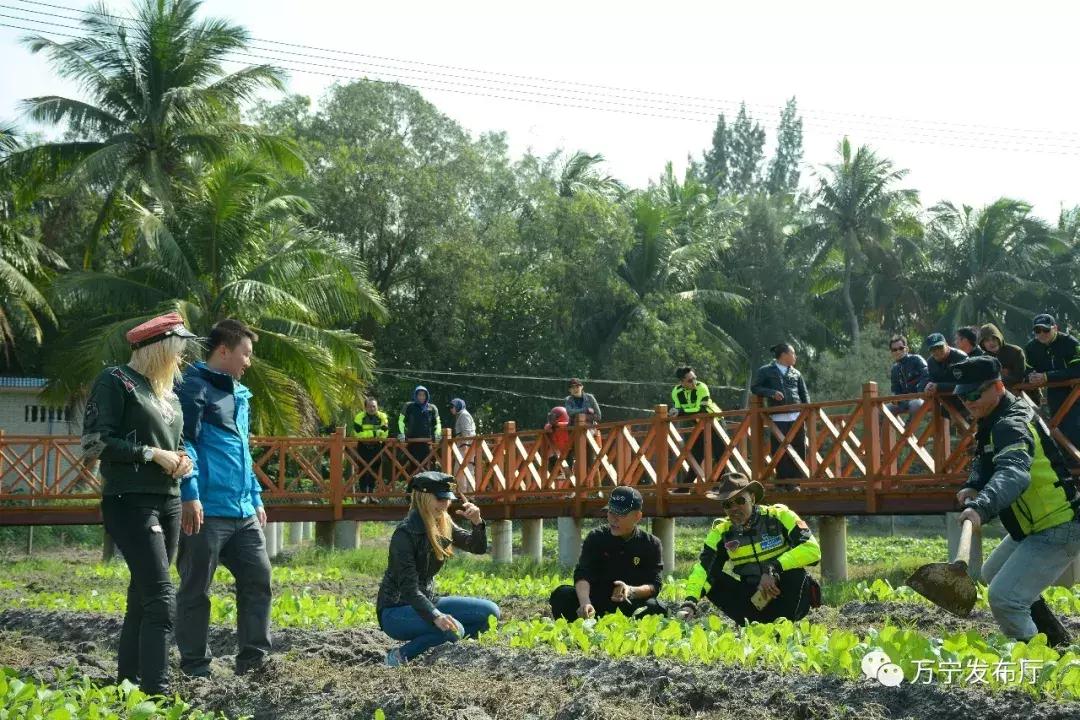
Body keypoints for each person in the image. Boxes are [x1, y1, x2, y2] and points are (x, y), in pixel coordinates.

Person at [80, 312, 197, 694]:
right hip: (129, 501)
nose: (180, 361)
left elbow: (175, 443)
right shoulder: (115, 381)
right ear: (158, 349)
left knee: (142, 597)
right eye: (176, 352)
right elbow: (95, 442)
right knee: (162, 599)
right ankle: (157, 693)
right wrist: (152, 454)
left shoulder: (169, 395)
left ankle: (127, 684)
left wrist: (181, 459)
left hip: (169, 499)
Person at [953, 356, 1080, 647]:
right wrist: (974, 485)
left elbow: (1014, 473)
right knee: (992, 573)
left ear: (997, 386)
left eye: (974, 395)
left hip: (1058, 525)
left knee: (1005, 599)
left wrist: (981, 506)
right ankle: (1057, 645)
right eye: (962, 396)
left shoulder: (1011, 423)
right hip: (1035, 524)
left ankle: (1041, 667)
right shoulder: (993, 417)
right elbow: (983, 459)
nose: (968, 403)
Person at [175, 319, 272, 678]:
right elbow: (185, 444)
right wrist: (189, 494)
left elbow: (241, 450)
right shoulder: (193, 388)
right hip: (205, 510)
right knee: (196, 588)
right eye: (245, 354)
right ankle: (195, 665)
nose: (249, 361)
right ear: (224, 351)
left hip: (243, 510)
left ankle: (254, 659)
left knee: (259, 578)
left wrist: (257, 496)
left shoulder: (239, 395)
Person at [376, 471, 499, 665]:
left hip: (429, 601)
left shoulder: (444, 521)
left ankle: (455, 651)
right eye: (440, 499)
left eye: (447, 499)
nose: (445, 505)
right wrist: (436, 616)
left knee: (491, 612)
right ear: (423, 497)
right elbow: (409, 589)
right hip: (396, 611)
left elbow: (476, 547)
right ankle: (399, 656)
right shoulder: (404, 533)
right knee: (452, 628)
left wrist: (477, 522)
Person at [677, 473, 821, 626]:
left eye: (740, 501)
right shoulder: (721, 532)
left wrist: (772, 569)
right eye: (727, 505)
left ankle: (783, 626)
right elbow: (703, 570)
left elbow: (812, 551)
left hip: (784, 593)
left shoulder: (779, 516)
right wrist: (690, 602)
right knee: (713, 579)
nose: (734, 509)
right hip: (752, 597)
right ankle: (753, 625)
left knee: (796, 574)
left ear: (752, 498)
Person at [549, 487, 666, 621]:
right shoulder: (596, 537)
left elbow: (654, 585)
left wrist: (631, 590)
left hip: (627, 604)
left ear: (637, 516)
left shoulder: (651, 544)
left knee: (656, 607)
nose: (613, 519)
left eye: (621, 514)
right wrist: (585, 602)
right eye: (610, 512)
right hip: (595, 602)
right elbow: (583, 573)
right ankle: (586, 617)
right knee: (561, 595)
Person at [751, 343, 810, 491]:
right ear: (784, 355)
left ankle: (796, 482)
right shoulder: (765, 371)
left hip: (797, 416)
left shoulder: (796, 373)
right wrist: (771, 393)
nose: (795, 356)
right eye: (793, 353)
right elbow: (755, 387)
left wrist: (808, 411)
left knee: (799, 447)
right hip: (778, 417)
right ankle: (783, 482)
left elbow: (804, 394)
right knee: (780, 450)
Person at [1025, 313, 1080, 451]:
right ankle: (1071, 468)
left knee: (1075, 428)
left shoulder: (1070, 342)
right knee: (1058, 429)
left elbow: (1078, 369)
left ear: (1055, 328)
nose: (1042, 334)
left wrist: (1047, 376)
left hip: (1076, 393)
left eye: (1046, 330)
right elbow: (1026, 369)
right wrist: (1030, 377)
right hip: (1054, 395)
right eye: (1038, 331)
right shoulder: (1031, 348)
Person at [669, 366, 726, 489]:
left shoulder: (702, 387)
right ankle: (685, 487)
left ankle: (721, 485)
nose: (694, 382)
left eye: (694, 378)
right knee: (696, 455)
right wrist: (677, 412)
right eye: (690, 380)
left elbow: (702, 409)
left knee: (720, 454)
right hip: (699, 425)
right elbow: (680, 412)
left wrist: (681, 411)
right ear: (681, 382)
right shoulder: (676, 391)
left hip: (715, 421)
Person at [398, 385, 442, 471]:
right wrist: (401, 433)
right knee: (413, 469)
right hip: (412, 443)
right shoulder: (408, 406)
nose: (421, 397)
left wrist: (437, 434)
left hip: (427, 443)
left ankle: (428, 485)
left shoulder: (432, 408)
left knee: (428, 468)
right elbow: (401, 421)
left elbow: (438, 423)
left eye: (423, 395)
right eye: (419, 395)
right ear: (415, 395)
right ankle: (412, 484)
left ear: (427, 396)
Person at [353, 397, 390, 497]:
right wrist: (375, 433)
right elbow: (358, 434)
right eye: (369, 406)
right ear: (365, 408)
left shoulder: (382, 417)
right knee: (362, 469)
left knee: (375, 469)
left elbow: (385, 433)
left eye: (374, 406)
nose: (372, 408)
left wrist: (370, 434)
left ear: (377, 407)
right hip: (363, 446)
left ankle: (371, 494)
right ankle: (364, 494)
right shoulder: (359, 417)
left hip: (377, 446)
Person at [886, 334, 929, 418]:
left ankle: (908, 430)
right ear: (891, 353)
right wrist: (896, 399)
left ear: (907, 349)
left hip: (923, 399)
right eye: (894, 350)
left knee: (915, 404)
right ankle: (902, 430)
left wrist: (919, 394)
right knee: (883, 409)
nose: (898, 351)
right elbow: (895, 388)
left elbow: (927, 376)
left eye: (901, 348)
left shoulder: (917, 359)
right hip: (904, 401)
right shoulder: (894, 369)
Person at [977, 323, 1028, 390]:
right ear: (982, 344)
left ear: (999, 338)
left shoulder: (1016, 351)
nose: (991, 342)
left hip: (1024, 392)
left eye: (994, 338)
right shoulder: (983, 359)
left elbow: (1019, 377)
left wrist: (994, 380)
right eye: (987, 340)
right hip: (996, 394)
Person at [449, 398, 476, 492]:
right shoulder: (461, 415)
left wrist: (465, 446)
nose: (451, 409)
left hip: (465, 446)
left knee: (461, 470)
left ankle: (465, 494)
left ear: (458, 406)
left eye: (452, 406)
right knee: (464, 470)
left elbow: (467, 433)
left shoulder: (464, 415)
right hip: (463, 445)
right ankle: (466, 494)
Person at [545, 406, 572, 478]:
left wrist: (560, 425)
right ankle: (558, 474)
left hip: (572, 450)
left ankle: (569, 478)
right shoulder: (551, 427)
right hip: (559, 450)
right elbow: (546, 427)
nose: (551, 420)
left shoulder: (570, 427)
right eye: (551, 417)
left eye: (554, 417)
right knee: (551, 454)